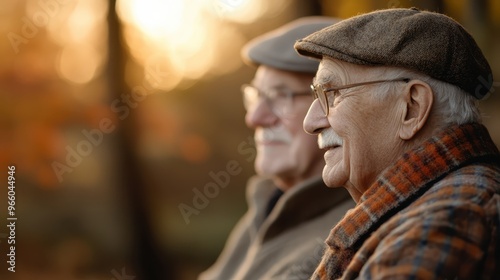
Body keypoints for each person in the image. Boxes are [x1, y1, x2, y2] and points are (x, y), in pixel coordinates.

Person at [293, 7, 500, 279]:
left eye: (332, 94)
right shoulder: (442, 210)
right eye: (317, 95)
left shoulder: (444, 221)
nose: (310, 122)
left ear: (412, 108)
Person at [198, 17, 355, 280]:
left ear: (335, 104)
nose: (255, 118)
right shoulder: (267, 204)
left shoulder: (345, 238)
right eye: (256, 96)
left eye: (281, 96)